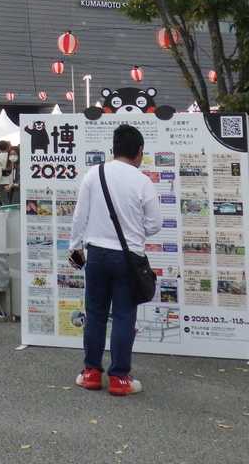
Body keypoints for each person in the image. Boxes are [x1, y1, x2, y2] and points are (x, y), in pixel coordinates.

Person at [68, 123, 160, 396]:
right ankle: (119, 378)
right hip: (128, 258)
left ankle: (91, 373)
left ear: (113, 149)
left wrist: (75, 246)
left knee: (95, 314)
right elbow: (155, 224)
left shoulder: (94, 174)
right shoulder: (142, 181)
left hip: (96, 254)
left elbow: (79, 216)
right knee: (123, 316)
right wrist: (135, 231)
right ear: (139, 151)